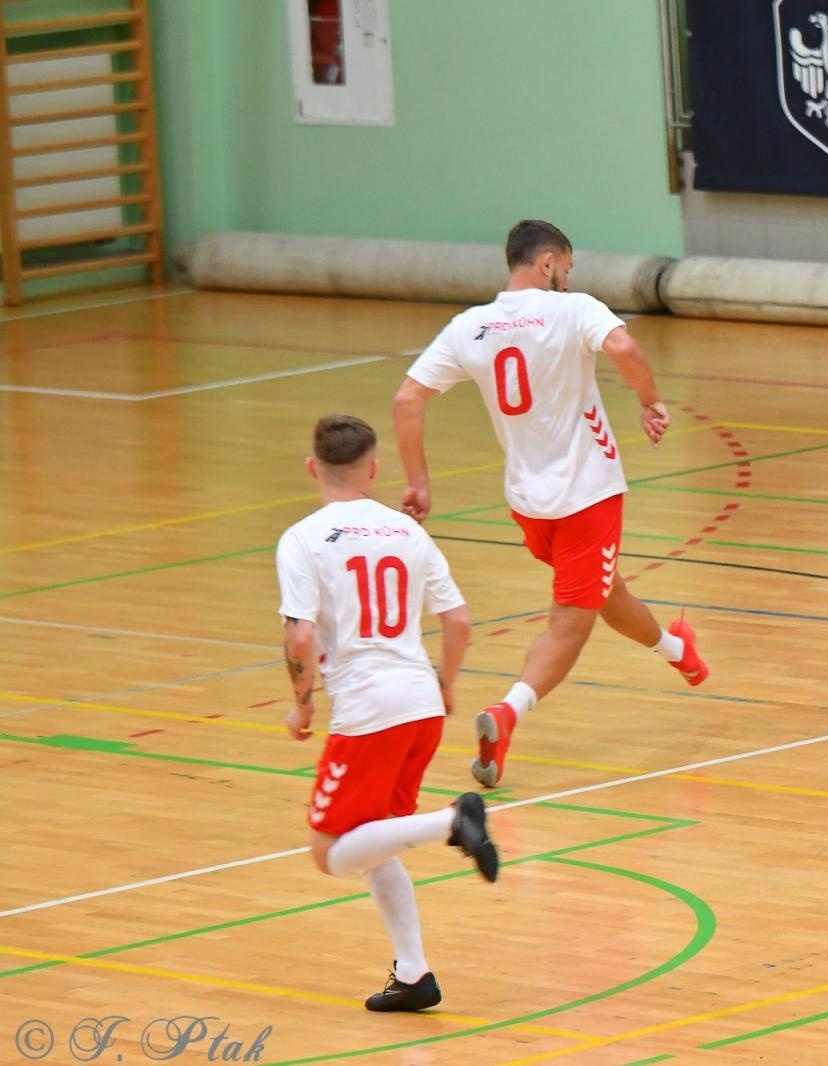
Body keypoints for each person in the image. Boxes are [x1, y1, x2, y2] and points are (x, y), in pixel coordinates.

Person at [393, 219, 709, 789]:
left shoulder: (470, 326)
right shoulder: (573, 309)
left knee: (605, 591)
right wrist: (650, 401)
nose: (568, 276)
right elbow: (624, 346)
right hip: (586, 496)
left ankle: (677, 652)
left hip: (529, 505)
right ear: (547, 262)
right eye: (566, 265)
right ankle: (507, 713)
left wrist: (418, 482)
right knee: (570, 623)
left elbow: (407, 399)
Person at [277, 414, 497, 1013]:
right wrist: (445, 684)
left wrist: (302, 703)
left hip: (368, 710)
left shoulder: (302, 538)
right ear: (373, 469)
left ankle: (450, 823)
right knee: (375, 843)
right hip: (420, 705)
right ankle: (414, 973)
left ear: (312, 467)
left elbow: (300, 636)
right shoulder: (407, 532)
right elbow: (458, 621)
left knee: (329, 852)